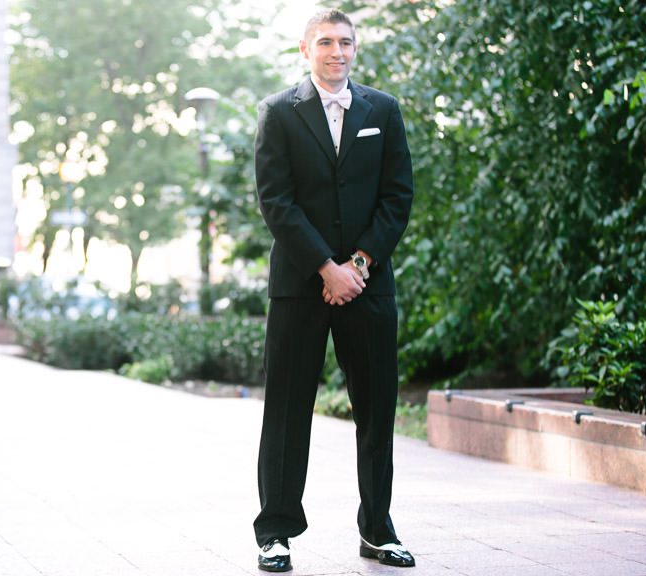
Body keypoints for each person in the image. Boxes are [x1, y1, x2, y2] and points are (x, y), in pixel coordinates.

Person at [252, 9, 415, 572]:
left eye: (346, 42)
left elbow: (398, 196)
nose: (337, 52)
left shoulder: (384, 111)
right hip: (300, 287)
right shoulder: (278, 112)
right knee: (287, 410)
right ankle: (275, 532)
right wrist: (326, 267)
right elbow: (276, 201)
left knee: (377, 410)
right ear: (305, 50)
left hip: (369, 286)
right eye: (325, 42)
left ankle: (378, 528)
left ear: (355, 48)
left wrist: (360, 263)